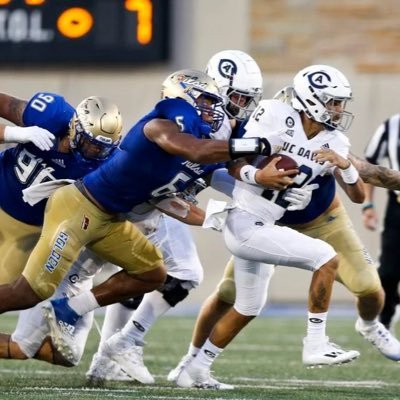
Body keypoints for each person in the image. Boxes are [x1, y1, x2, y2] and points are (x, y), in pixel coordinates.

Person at [0, 69, 292, 364]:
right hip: (79, 209)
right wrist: (12, 133)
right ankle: (60, 311)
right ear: (182, 98)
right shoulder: (160, 125)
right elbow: (200, 150)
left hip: (106, 219)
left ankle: (70, 308)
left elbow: (169, 197)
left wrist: (225, 214)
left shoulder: (187, 143)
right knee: (30, 292)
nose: (211, 108)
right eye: (204, 100)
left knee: (153, 273)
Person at [173, 64, 365, 389]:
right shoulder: (275, 114)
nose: (338, 109)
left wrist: (345, 167)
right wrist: (259, 177)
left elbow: (358, 195)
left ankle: (196, 370)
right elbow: (235, 161)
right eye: (332, 102)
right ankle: (315, 343)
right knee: (326, 258)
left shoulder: (336, 141)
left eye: (340, 102)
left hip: (265, 222)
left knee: (249, 305)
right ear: (312, 100)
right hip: (245, 220)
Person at [84, 50, 267, 385]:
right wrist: (251, 188)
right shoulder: (201, 121)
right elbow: (203, 163)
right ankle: (123, 341)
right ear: (217, 91)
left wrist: (253, 189)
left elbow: (213, 172)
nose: (244, 105)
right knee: (183, 273)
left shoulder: (218, 121)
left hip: (154, 199)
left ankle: (104, 359)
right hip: (152, 197)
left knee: (139, 275)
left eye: (249, 98)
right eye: (239, 97)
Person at [0, 92, 122, 365]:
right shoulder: (52, 114)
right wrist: (15, 133)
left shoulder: (105, 168)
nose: (95, 152)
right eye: (91, 144)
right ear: (76, 127)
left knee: (66, 354)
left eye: (103, 147)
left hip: (29, 235)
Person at [363, 113, 400, 331]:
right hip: (397, 206)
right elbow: (370, 164)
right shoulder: (392, 125)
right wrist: (368, 204)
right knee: (388, 271)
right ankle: (384, 319)